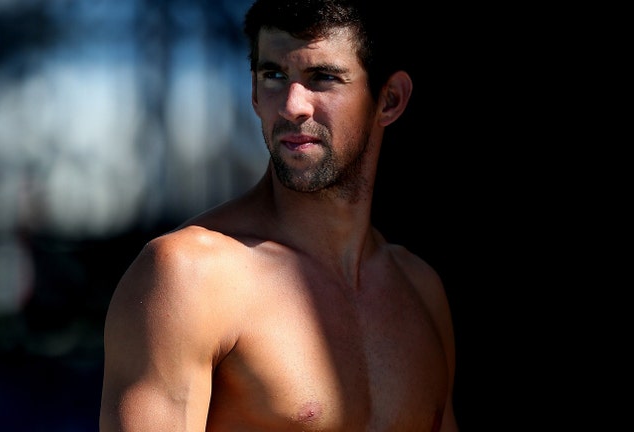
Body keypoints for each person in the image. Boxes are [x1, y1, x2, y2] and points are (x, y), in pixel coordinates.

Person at [99, 0, 458, 430]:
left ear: (390, 99)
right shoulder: (190, 276)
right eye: (273, 76)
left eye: (323, 77)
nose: (292, 106)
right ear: (253, 93)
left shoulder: (419, 289)